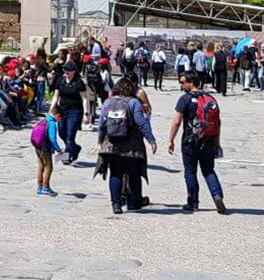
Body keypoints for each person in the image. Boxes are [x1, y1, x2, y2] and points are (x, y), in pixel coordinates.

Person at [94, 77, 157, 213]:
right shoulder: (134, 102)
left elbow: (101, 125)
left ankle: (116, 204)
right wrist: (151, 140)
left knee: (115, 173)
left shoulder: (108, 102)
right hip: (131, 145)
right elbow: (141, 122)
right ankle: (134, 202)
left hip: (112, 144)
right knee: (134, 173)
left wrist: (100, 141)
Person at [167, 71, 226, 214]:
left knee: (190, 171)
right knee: (208, 170)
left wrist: (171, 139)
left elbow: (176, 121)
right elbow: (217, 122)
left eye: (182, 82)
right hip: (209, 140)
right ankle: (217, 196)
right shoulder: (210, 98)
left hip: (190, 140)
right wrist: (217, 142)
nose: (181, 86)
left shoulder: (185, 99)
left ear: (191, 82)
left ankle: (193, 202)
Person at [51, 60, 87, 164]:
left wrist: (86, 114)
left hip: (75, 111)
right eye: (65, 70)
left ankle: (68, 156)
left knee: (70, 134)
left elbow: (85, 99)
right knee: (62, 132)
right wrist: (51, 109)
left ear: (74, 71)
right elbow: (56, 95)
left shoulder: (79, 83)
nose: (66, 72)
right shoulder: (60, 81)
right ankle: (75, 148)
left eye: (69, 70)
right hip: (62, 110)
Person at [31, 102, 64, 196]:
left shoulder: (43, 120)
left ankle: (39, 187)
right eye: (60, 117)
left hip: (37, 146)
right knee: (49, 167)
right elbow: (52, 138)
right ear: (57, 115)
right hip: (45, 147)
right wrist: (58, 149)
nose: (59, 120)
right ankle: (46, 187)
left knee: (41, 166)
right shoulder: (52, 123)